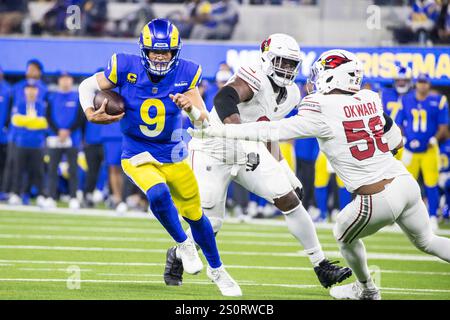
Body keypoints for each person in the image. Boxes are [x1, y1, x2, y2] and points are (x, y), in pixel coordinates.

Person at [191, 49, 450, 300]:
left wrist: (220, 131)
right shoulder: (370, 99)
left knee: (342, 234)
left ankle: (367, 290)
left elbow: (270, 131)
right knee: (428, 240)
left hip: (375, 197)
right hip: (405, 183)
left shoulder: (319, 106)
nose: (316, 78)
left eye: (323, 72)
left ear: (333, 76)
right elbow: (396, 141)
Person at [166, 33, 352, 290]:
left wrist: (285, 169)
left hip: (250, 148)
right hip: (213, 146)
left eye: (290, 63)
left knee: (289, 199)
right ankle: (177, 253)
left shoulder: (291, 95)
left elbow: (267, 132)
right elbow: (223, 99)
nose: (286, 68)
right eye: (281, 61)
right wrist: (242, 141)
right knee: (213, 223)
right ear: (266, 58)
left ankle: (321, 265)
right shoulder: (254, 76)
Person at [78, 18, 241, 297]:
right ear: (145, 50)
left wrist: (190, 109)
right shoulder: (123, 66)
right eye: (155, 51)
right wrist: (88, 111)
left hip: (173, 152)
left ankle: (218, 271)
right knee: (157, 194)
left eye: (166, 52)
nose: (161, 56)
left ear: (175, 52)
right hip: (136, 151)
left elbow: (203, 124)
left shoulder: (188, 73)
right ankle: (183, 244)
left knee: (196, 216)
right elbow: (86, 87)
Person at [397, 73, 449, 230]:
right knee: (406, 185)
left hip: (430, 149)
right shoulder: (406, 99)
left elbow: (443, 126)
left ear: (429, 84)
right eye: (420, 82)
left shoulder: (438, 101)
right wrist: (403, 138)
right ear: (416, 83)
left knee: (431, 183)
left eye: (425, 82)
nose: (422, 85)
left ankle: (432, 216)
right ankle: (403, 218)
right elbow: (398, 123)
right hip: (410, 150)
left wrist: (434, 139)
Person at [46, 72, 84, 209]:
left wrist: (68, 131)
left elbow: (81, 118)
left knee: (73, 169)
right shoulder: (52, 97)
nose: (65, 81)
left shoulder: (77, 97)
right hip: (55, 138)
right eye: (63, 79)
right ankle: (51, 196)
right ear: (59, 81)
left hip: (72, 139)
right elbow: (48, 117)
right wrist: (58, 131)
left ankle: (73, 197)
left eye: (68, 79)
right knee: (52, 168)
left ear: (71, 81)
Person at [9, 81, 47, 206]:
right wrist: (33, 122)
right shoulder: (19, 104)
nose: (31, 92)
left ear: (37, 91)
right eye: (29, 89)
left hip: (37, 143)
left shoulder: (42, 105)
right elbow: (15, 121)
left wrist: (26, 122)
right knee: (18, 170)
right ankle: (15, 194)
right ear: (25, 91)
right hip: (22, 142)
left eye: (33, 89)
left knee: (37, 171)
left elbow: (44, 123)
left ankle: (40, 195)